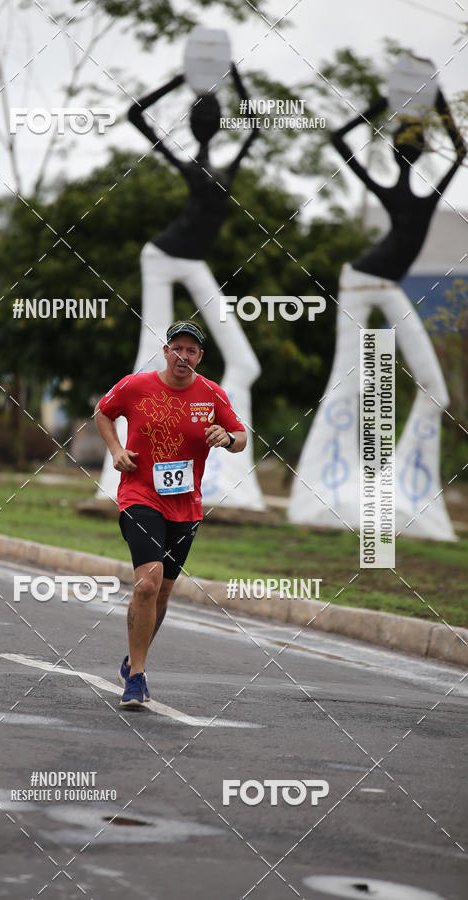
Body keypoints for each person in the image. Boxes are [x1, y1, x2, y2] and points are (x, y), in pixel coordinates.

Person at [289, 89, 466, 539]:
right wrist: (398, 101)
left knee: (435, 390)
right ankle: (322, 490)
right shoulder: (400, 191)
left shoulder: (416, 192)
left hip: (383, 286)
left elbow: (461, 152)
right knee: (346, 381)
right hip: (358, 283)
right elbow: (338, 140)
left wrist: (425, 101)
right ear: (416, 151)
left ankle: (402, 492)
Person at [97, 62, 264, 510]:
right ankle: (122, 468)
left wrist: (232, 75)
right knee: (153, 359)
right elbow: (136, 115)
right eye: (201, 114)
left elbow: (255, 128)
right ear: (192, 122)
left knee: (245, 362)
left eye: (213, 115)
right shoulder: (191, 166)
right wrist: (183, 79)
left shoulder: (226, 165)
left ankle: (229, 483)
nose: (208, 120)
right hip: (161, 256)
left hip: (193, 261)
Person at [94, 320, 246, 707]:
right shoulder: (135, 386)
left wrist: (227, 438)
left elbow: (242, 437)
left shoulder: (212, 394)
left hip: (186, 505)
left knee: (162, 592)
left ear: (199, 357)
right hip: (139, 495)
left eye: (191, 350)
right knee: (147, 583)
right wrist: (116, 451)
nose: (183, 356)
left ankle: (132, 660)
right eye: (177, 348)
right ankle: (137, 679)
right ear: (165, 351)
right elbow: (103, 412)